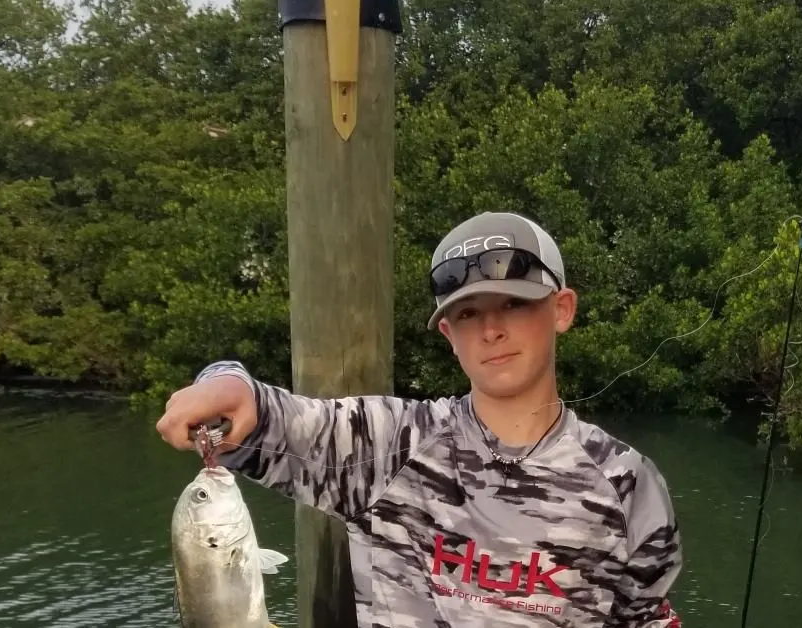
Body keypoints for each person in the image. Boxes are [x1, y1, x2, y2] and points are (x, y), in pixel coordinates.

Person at [157, 211, 683, 627]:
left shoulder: (629, 485)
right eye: (469, 313)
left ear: (562, 309)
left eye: (514, 305)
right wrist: (223, 380)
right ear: (450, 335)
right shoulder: (389, 446)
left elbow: (647, 618)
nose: (491, 330)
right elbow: (259, 416)